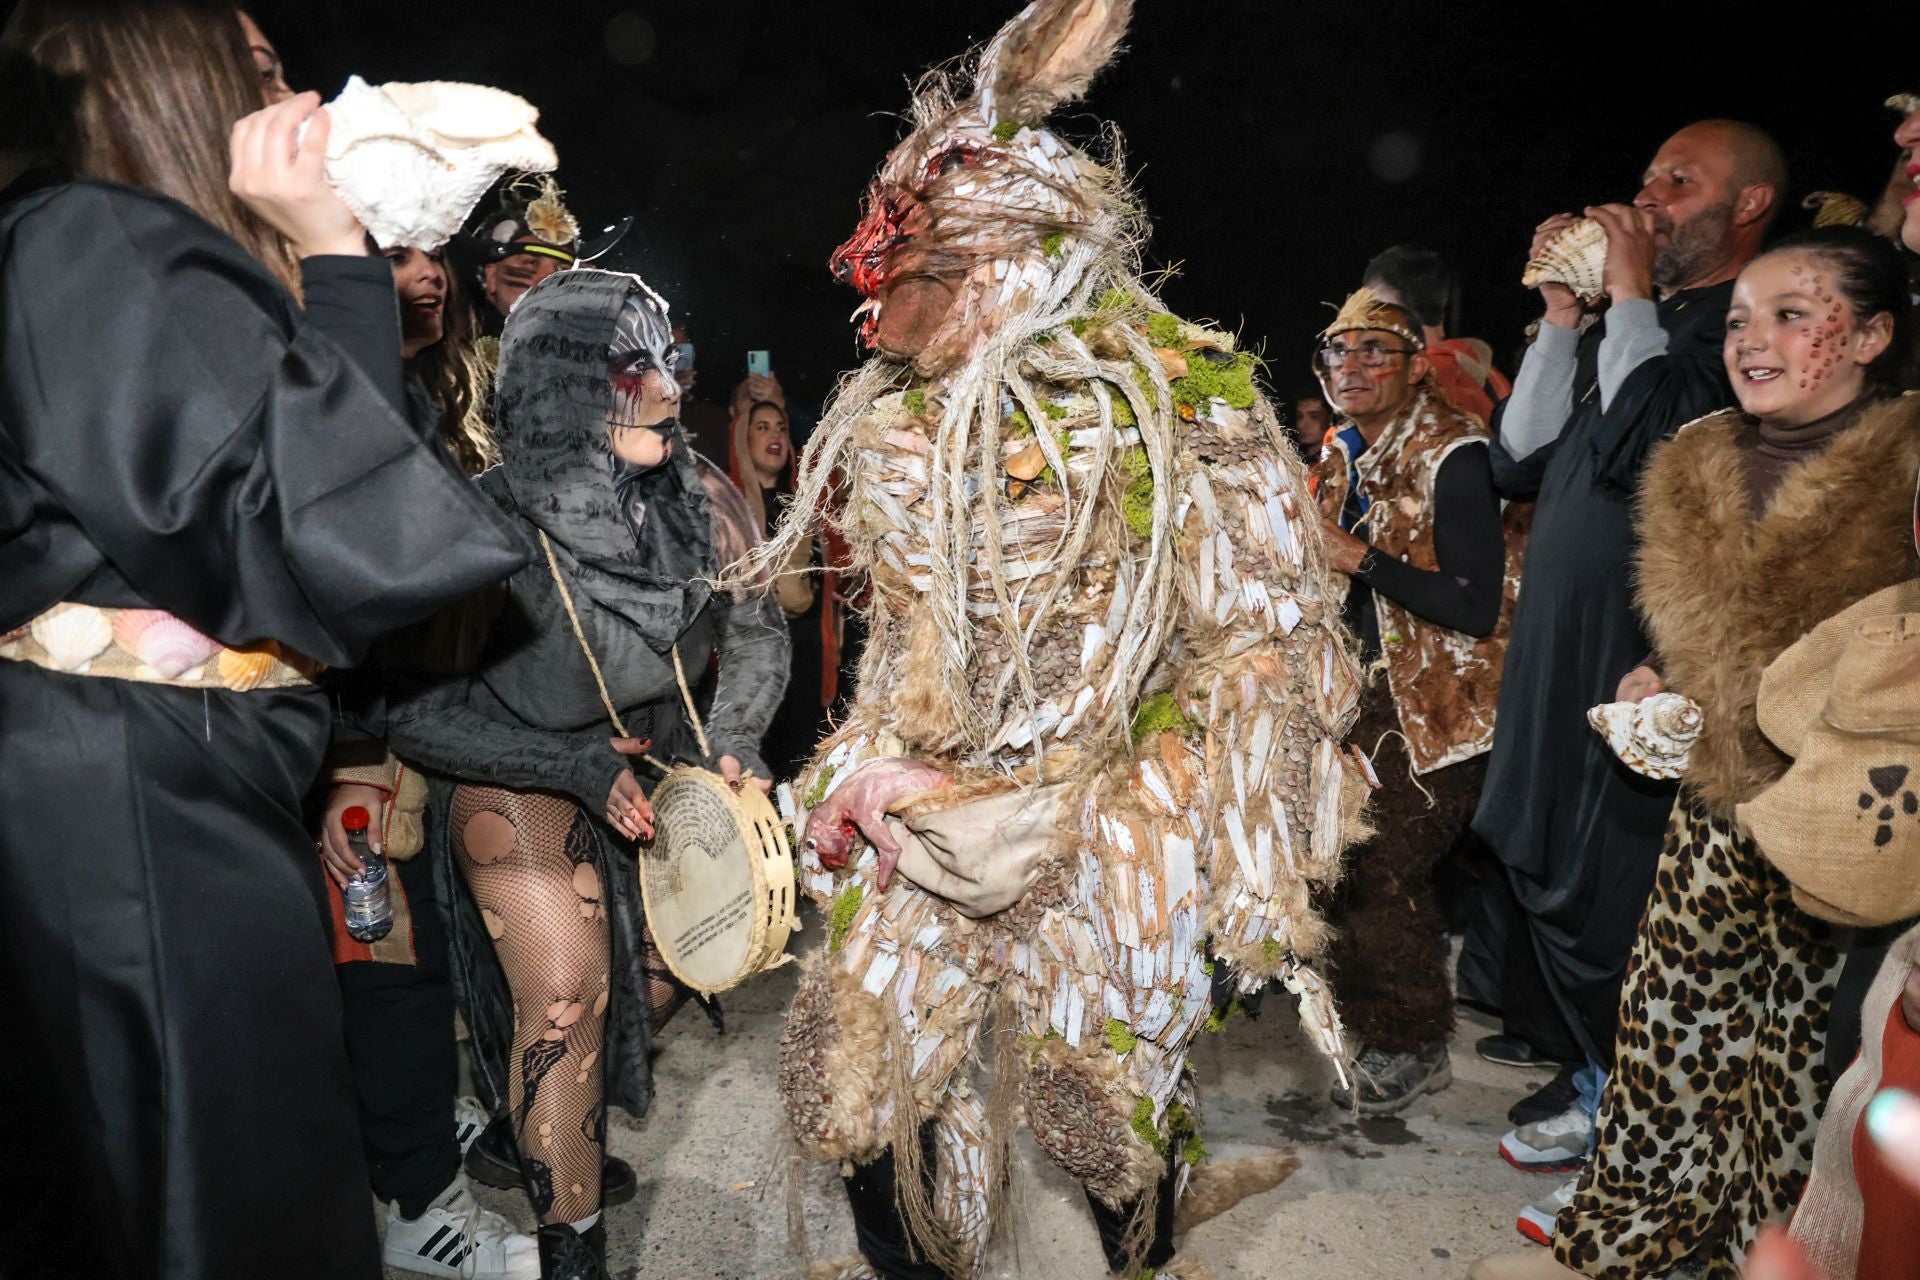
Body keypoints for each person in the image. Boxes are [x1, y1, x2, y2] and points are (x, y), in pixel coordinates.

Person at [757, 3, 1362, 1276]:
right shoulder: (893, 429)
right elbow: (910, 654)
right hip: (937, 816)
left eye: (909, 248)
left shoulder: (1178, 406)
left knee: (1095, 1106)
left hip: (1113, 815)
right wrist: (862, 770)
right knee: (861, 1070)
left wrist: (1211, 832)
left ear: (1005, 251)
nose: (869, 275)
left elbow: (1267, 638)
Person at [0, 3, 527, 1276]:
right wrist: (337, 255)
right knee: (222, 1203)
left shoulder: (102, 246)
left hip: (151, 783)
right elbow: (323, 539)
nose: (306, 96)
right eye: (268, 69)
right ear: (176, 80)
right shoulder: (95, 235)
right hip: (138, 809)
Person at [1473, 226, 1918, 1280]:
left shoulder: (1905, 464)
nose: (1751, 340)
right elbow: (1705, 638)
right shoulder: (1699, 457)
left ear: (1873, 335)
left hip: (1849, 830)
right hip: (1712, 815)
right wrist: (1656, 680)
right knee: (1671, 1038)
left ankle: (1770, 1249)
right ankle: (1638, 1228)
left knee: (1802, 1069)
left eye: (1792, 315)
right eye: (1737, 321)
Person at [384, 268, 789, 1280]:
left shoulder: (702, 497)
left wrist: (727, 738)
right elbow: (410, 707)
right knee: (566, 988)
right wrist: (560, 760)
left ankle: (537, 1115)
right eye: (631, 367)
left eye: (672, 363)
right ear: (563, 385)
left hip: (654, 761)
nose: (667, 389)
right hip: (515, 760)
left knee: (678, 965)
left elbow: (757, 632)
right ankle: (573, 1248)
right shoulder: (487, 521)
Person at [1468, 121, 1786, 1216]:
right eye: (1646, 174)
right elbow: (1523, 453)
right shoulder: (1630, 326)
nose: (1647, 195)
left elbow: (1648, 439)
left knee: (1615, 900)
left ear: (1747, 207)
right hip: (1556, 642)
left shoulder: (1736, 335)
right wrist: (1567, 318)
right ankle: (1604, 1077)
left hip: (1638, 653)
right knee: (1532, 850)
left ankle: (1645, 1139)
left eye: (1678, 181)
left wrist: (1633, 291)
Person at [1308, 288, 1520, 1114]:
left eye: (1374, 352)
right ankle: (1376, 1020)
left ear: (1412, 368)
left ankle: (1413, 1043)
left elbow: (1475, 606)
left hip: (1444, 709)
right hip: (1359, 695)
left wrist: (1355, 558)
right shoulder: (1341, 454)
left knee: (1381, 865)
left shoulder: (1453, 455)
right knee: (1339, 862)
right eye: (1336, 352)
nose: (1351, 368)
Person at [730, 398, 839, 780]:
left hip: (803, 646)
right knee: (759, 758)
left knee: (803, 750)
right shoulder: (729, 509)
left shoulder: (804, 502)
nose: (775, 435)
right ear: (743, 439)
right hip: (754, 651)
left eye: (780, 427)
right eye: (762, 427)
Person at [1362, 244, 1513, 424]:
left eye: (1375, 309)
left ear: (1396, 311)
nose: (1367, 322)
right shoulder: (1492, 374)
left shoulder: (1419, 380)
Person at [1291, 389, 1332, 462]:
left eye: (1314, 417)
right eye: (1299, 416)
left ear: (1329, 418)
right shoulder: (1292, 460)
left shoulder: (1336, 462)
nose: (1302, 425)